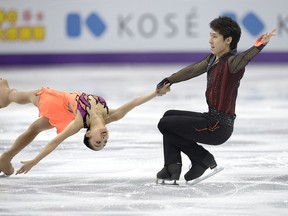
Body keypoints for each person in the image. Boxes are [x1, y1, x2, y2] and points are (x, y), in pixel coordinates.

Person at [155, 16, 276, 183]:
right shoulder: (213, 59)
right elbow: (191, 70)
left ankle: (203, 159)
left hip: (218, 127)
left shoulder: (232, 63)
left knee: (165, 125)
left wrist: (260, 45)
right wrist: (169, 80)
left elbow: (246, 57)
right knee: (168, 116)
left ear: (228, 40)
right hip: (211, 118)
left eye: (214, 36)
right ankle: (172, 168)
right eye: (210, 35)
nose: (210, 40)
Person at [0, 79, 170, 176]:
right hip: (66, 107)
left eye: (97, 143)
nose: (103, 140)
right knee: (35, 127)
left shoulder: (79, 122)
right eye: (104, 143)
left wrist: (34, 162)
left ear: (88, 133)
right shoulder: (111, 115)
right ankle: (6, 157)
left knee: (31, 98)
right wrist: (156, 93)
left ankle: (7, 94)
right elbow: (134, 102)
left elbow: (55, 141)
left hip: (56, 101)